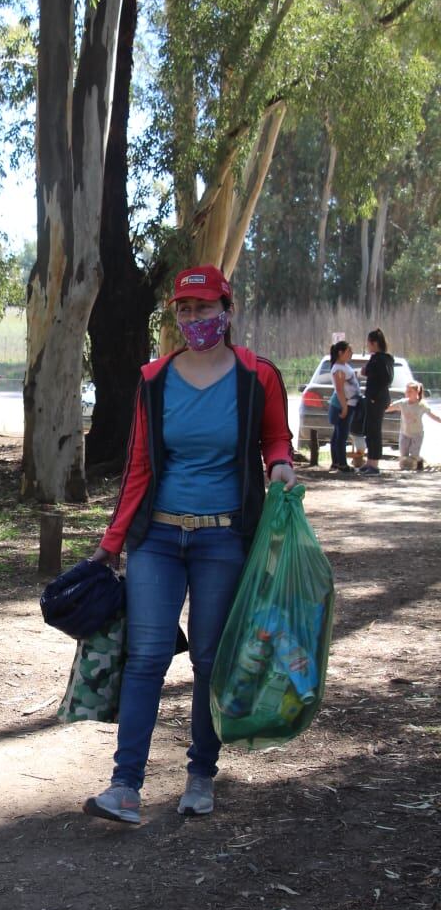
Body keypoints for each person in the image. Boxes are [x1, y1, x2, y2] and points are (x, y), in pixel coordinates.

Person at [82, 265, 296, 826]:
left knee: (208, 658)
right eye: (184, 309)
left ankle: (201, 773)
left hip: (223, 538)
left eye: (204, 307)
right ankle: (124, 784)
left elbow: (275, 437)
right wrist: (112, 543)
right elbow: (138, 466)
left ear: (227, 308)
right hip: (157, 537)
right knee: (146, 657)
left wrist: (281, 467)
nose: (194, 318)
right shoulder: (154, 379)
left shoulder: (258, 376)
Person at [358, 328, 394, 475]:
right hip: (374, 398)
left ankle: (374, 464)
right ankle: (369, 461)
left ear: (373, 343)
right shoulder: (379, 359)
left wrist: (374, 396)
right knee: (369, 430)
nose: (367, 346)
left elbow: (385, 379)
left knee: (374, 431)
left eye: (368, 343)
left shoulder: (381, 359)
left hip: (376, 399)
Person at [388, 380, 440, 471]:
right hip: (404, 433)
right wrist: (378, 409)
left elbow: (432, 415)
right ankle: (406, 466)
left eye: (410, 391)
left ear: (417, 392)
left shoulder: (422, 405)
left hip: (417, 434)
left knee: (414, 454)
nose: (407, 393)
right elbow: (389, 407)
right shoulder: (402, 403)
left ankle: (419, 461)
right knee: (403, 454)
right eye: (406, 391)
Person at [328, 340, 360, 474]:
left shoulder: (344, 366)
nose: (351, 354)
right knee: (341, 435)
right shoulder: (338, 369)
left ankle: (336, 462)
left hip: (349, 403)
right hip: (343, 404)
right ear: (340, 353)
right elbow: (340, 389)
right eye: (348, 351)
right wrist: (344, 407)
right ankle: (341, 463)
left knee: (339, 433)